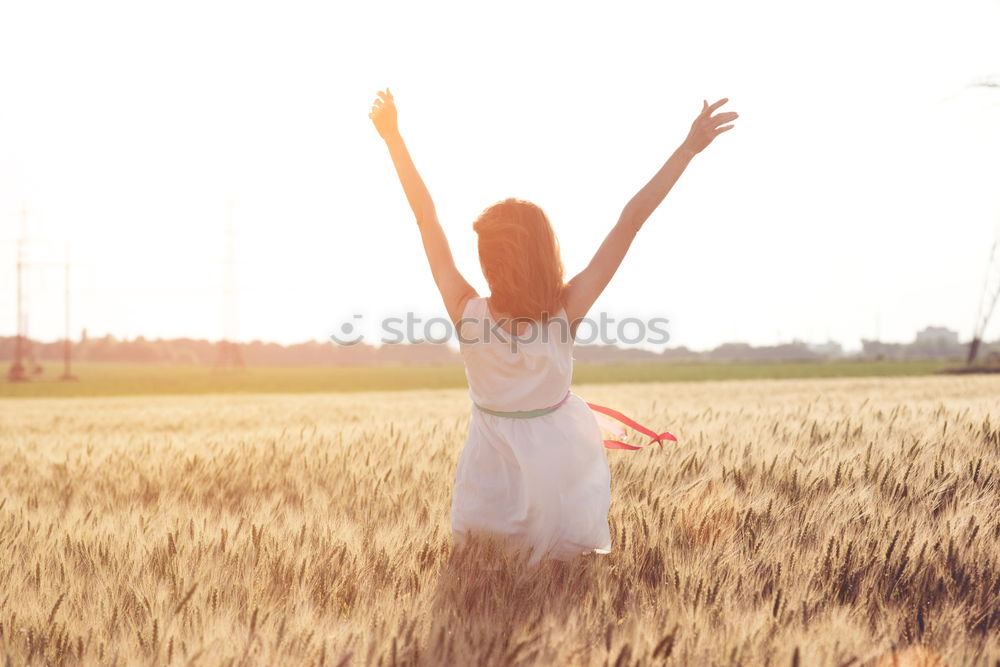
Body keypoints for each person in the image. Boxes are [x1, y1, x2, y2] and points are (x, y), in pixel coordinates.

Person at [369, 88, 737, 566]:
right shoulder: (566, 311)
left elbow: (426, 219)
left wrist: (393, 139)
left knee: (482, 566)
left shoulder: (465, 310)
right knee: (562, 572)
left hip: (489, 462)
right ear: (545, 253)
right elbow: (630, 222)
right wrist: (686, 150)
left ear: (488, 261)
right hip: (560, 459)